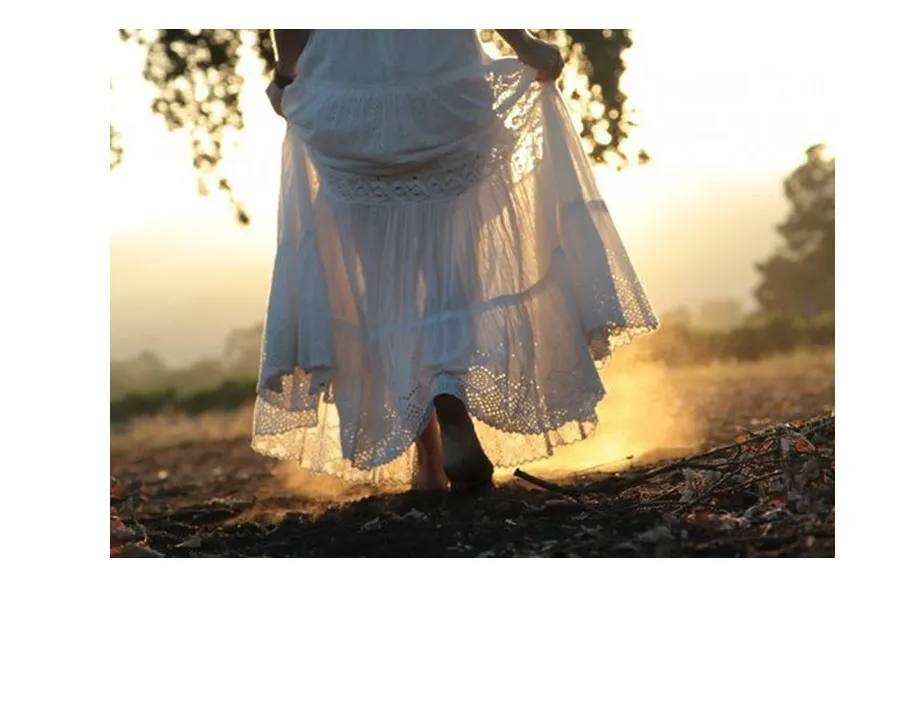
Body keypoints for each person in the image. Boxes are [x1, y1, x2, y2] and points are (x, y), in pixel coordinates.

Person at [252, 30, 657, 493]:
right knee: (452, 259)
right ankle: (449, 390)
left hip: (349, 93)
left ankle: (428, 459)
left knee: (381, 280)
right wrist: (523, 44)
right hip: (441, 76)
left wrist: (287, 72)